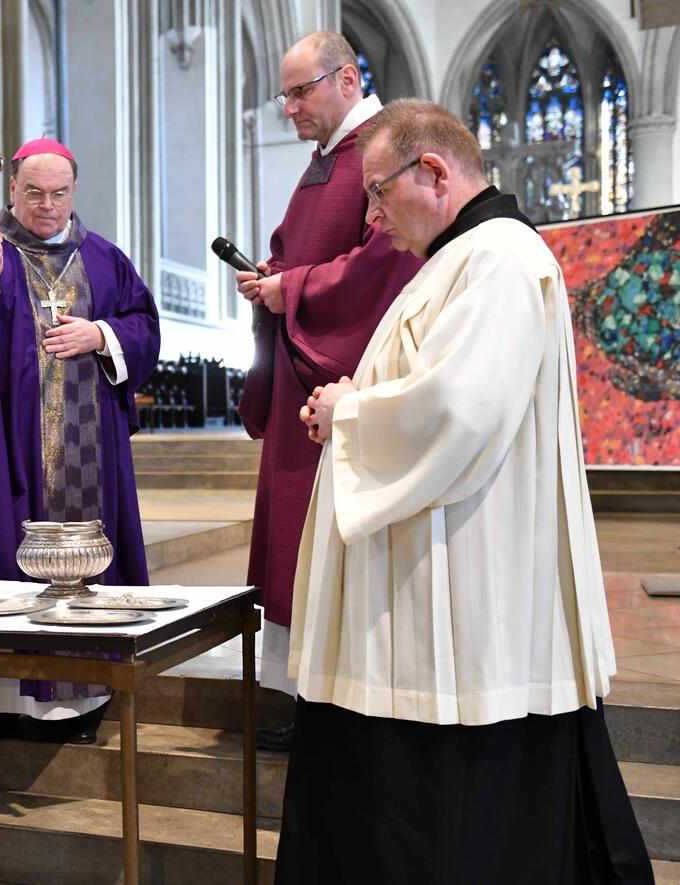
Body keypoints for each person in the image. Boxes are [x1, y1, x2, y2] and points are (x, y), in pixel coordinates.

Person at [276, 99, 650, 883]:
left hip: (469, 593)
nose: (373, 217)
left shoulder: (501, 259)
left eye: (378, 193)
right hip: (422, 583)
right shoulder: (459, 258)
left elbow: (458, 411)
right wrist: (361, 400)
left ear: (435, 172)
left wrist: (351, 412)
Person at [0, 138, 160, 744]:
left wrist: (101, 335)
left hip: (88, 451)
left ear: (75, 191)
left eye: (59, 193)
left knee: (87, 564)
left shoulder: (105, 260)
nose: (47, 206)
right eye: (33, 193)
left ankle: (79, 701)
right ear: (12, 190)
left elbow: (145, 328)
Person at [234, 31, 422, 751]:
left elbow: (384, 260)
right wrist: (272, 277)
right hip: (296, 374)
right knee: (292, 541)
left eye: (298, 91)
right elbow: (301, 248)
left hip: (337, 383)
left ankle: (340, 703)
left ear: (345, 79)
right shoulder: (323, 163)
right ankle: (309, 695)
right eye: (284, 94)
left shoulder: (380, 152)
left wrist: (295, 287)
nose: (288, 107)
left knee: (329, 537)